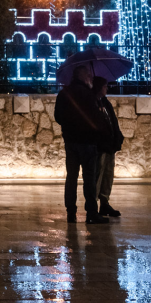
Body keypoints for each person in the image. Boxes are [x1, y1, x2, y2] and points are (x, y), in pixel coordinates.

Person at [53, 65, 110, 224]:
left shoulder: (64, 94)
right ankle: (91, 212)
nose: (90, 77)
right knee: (89, 178)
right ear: (81, 75)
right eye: (88, 74)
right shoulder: (88, 95)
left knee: (71, 177)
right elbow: (96, 118)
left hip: (71, 141)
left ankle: (71, 212)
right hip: (87, 141)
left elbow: (58, 116)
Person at [93, 76, 124, 218]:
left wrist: (117, 138)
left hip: (109, 145)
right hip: (100, 146)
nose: (107, 88)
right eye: (105, 86)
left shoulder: (105, 103)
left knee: (108, 175)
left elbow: (113, 122)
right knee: (98, 175)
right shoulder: (93, 103)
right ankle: (94, 204)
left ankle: (104, 203)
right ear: (99, 87)